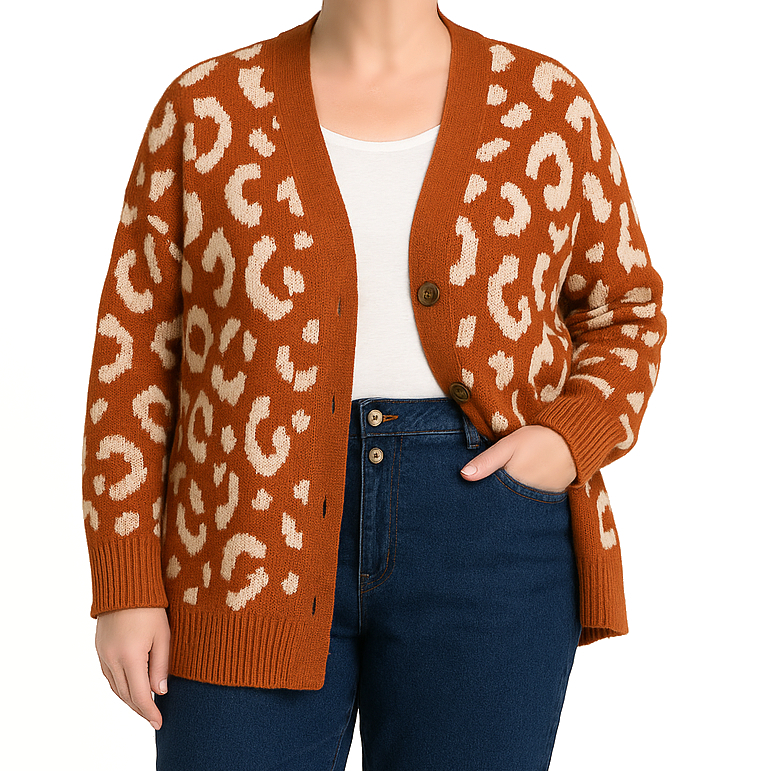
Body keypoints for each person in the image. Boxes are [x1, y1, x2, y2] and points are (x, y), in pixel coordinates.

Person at [82, 1, 667, 769]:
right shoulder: (207, 106)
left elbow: (625, 311)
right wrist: (125, 582)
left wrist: (565, 441)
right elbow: (132, 358)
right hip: (243, 542)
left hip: (484, 531)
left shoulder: (544, 103)